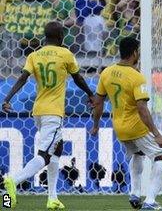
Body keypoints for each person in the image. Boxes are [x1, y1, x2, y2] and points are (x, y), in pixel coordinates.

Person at [2, 21, 94, 210]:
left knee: (56, 149)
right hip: (54, 112)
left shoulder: (34, 55)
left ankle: (52, 198)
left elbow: (22, 78)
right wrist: (91, 94)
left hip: (38, 111)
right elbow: (78, 78)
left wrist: (8, 98)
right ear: (61, 38)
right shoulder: (66, 54)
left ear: (45, 37)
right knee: (44, 155)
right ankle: (13, 180)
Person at [91, 37, 162, 210]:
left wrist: (95, 125)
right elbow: (142, 108)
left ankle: (134, 193)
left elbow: (98, 103)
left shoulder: (106, 72)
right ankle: (149, 202)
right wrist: (156, 133)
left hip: (119, 127)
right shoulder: (137, 77)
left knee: (138, 154)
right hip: (136, 126)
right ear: (135, 52)